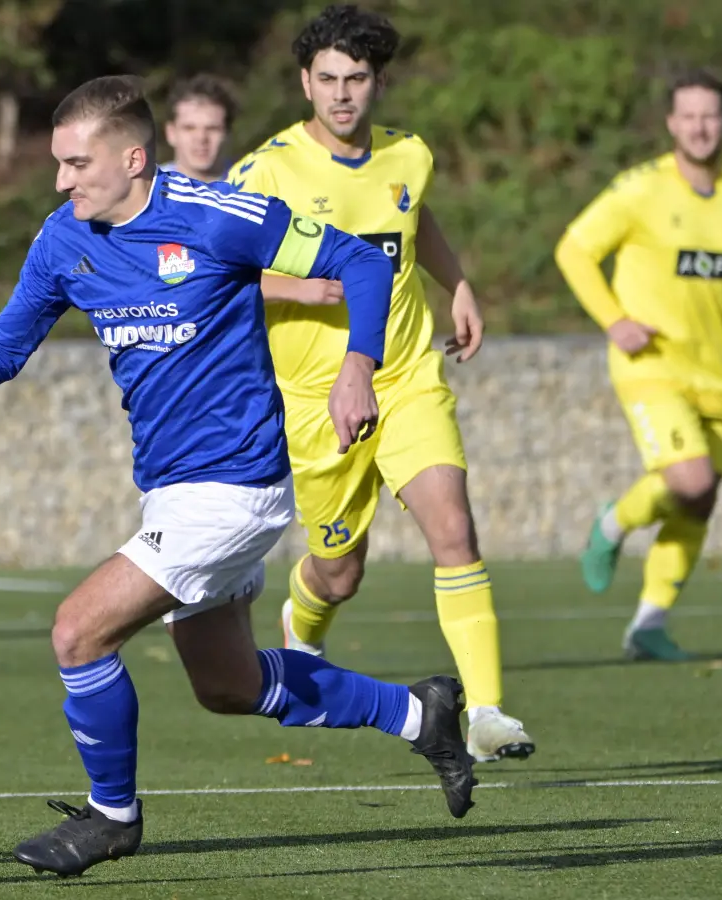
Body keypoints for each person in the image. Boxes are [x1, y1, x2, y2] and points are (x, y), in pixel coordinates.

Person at [0, 74, 476, 879]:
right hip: (172, 486)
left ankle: (112, 817)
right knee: (227, 684)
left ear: (132, 156)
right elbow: (4, 348)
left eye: (76, 163)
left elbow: (361, 263)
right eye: (57, 164)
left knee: (78, 631)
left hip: (237, 488)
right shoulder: (65, 239)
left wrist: (356, 366)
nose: (61, 180)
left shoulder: (219, 216)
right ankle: (418, 713)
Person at [226, 4, 533, 763]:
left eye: (355, 79)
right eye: (327, 79)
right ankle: (305, 626)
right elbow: (219, 272)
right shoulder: (265, 171)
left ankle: (487, 712)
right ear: (304, 83)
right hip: (313, 400)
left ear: (378, 82)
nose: (341, 95)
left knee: (453, 526)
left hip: (404, 377)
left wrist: (455, 282)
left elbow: (412, 219)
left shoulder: (409, 156)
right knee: (339, 570)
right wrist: (300, 291)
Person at [557, 68, 722, 661]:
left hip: (718, 378)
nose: (702, 127)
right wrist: (614, 320)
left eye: (712, 114)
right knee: (693, 479)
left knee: (700, 500)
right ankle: (613, 523)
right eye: (691, 116)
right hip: (652, 366)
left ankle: (649, 625)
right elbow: (574, 249)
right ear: (672, 123)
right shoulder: (641, 190)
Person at [159, 74, 238, 182]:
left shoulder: (254, 183)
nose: (201, 138)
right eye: (189, 128)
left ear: (227, 133)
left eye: (212, 128)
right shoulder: (148, 192)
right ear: (171, 133)